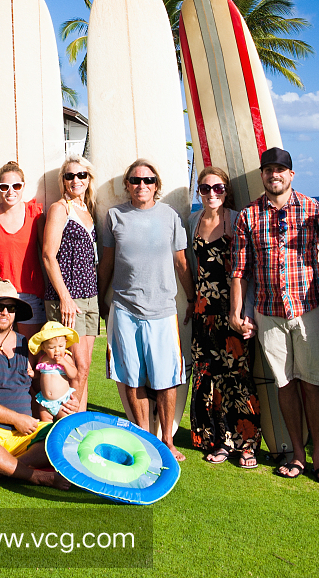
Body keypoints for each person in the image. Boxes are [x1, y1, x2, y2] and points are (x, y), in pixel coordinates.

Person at [230, 146, 319, 484]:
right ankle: (297, 453)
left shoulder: (313, 208)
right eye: (268, 170)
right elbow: (239, 269)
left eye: (280, 170)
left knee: (313, 383)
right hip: (268, 312)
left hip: (306, 309)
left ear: (291, 175)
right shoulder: (248, 216)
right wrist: (237, 311)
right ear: (262, 175)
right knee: (285, 382)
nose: (274, 175)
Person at [98, 158, 194, 464]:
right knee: (132, 377)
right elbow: (108, 263)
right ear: (127, 185)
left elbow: (181, 262)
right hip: (125, 309)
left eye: (148, 180)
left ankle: (166, 439)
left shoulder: (169, 216)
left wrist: (193, 298)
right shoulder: (114, 217)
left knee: (166, 379)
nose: (142, 185)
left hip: (163, 310)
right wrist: (102, 297)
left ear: (157, 185)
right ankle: (144, 436)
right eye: (136, 180)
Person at [0, 280, 77, 490]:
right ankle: (36, 476)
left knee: (68, 435)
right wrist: (16, 418)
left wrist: (64, 401)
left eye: (10, 307)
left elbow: (40, 388)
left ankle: (0, 470)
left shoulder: (27, 346)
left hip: (25, 434)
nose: (5, 312)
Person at [187, 165, 261, 467]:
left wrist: (247, 312)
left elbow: (249, 271)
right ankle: (217, 440)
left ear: (226, 191)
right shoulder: (193, 221)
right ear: (198, 192)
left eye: (217, 188)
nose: (211, 193)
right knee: (208, 377)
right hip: (203, 311)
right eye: (205, 188)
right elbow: (189, 266)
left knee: (237, 378)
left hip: (233, 310)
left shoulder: (237, 221)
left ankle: (245, 444)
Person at [42, 156, 99, 409]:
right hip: (67, 297)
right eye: (69, 176)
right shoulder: (60, 208)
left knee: (84, 366)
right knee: (73, 365)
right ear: (63, 181)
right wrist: (64, 297)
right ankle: (69, 419)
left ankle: (80, 417)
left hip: (90, 296)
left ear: (89, 179)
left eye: (81, 175)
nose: (76, 180)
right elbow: (48, 255)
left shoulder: (89, 210)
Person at [0, 162, 45, 336]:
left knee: (29, 354)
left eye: (16, 185)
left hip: (29, 294)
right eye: (5, 186)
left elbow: (46, 254)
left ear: (23, 187)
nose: (11, 191)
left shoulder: (34, 213)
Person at [28, 321, 78, 421]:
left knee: (63, 423)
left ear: (66, 344)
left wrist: (64, 363)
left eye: (60, 346)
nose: (57, 351)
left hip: (62, 402)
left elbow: (73, 374)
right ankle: (46, 435)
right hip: (45, 402)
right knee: (45, 424)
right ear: (44, 348)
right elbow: (40, 374)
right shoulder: (43, 359)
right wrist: (33, 374)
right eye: (52, 347)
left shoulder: (66, 358)